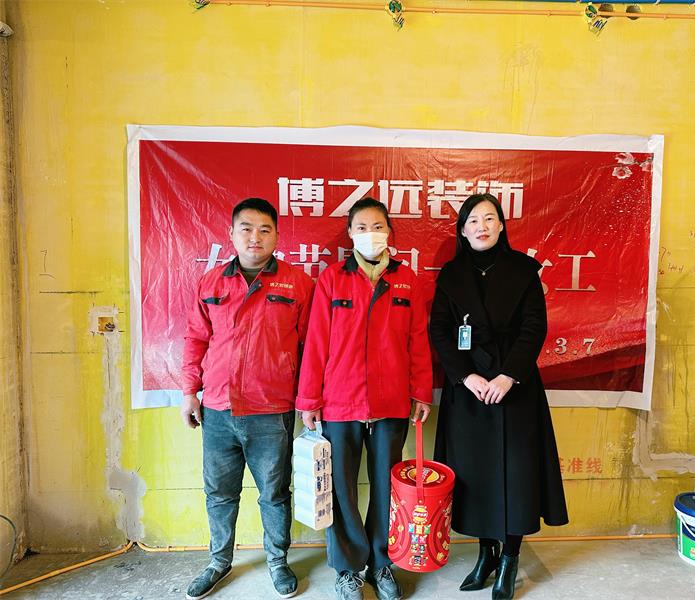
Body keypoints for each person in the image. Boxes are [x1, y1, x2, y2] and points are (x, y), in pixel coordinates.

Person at [429, 193, 568, 600]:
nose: (482, 226)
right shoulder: (451, 275)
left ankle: (509, 557)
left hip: (515, 388)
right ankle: (485, 554)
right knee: (475, 476)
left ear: (502, 225)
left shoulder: (523, 270)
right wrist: (466, 376)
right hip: (469, 391)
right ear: (462, 230)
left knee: (515, 475)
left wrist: (508, 377)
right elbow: (440, 332)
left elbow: (534, 328)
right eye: (473, 220)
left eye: (490, 218)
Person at [296, 197, 433, 600]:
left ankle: (382, 563)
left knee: (387, 487)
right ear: (350, 234)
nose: (370, 234)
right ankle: (348, 568)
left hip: (392, 402)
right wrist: (309, 400)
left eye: (377, 226)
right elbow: (316, 343)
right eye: (361, 227)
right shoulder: (332, 279)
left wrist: (421, 392)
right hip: (340, 402)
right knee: (340, 489)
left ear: (389, 231)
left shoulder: (407, 280)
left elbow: (418, 341)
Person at [181, 197, 314, 600]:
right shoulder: (211, 282)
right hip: (218, 409)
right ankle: (218, 561)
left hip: (272, 409)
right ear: (232, 234)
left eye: (264, 229)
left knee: (274, 493)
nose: (255, 237)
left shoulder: (297, 283)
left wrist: (309, 399)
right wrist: (189, 392)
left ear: (277, 236)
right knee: (219, 493)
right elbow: (195, 339)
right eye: (246, 228)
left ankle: (278, 561)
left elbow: (311, 347)